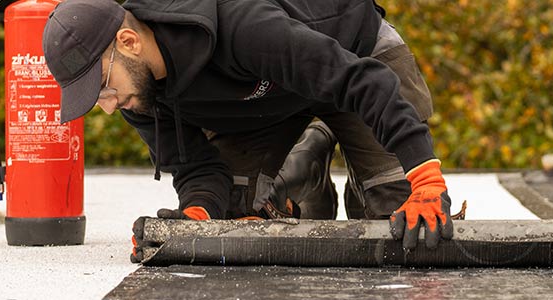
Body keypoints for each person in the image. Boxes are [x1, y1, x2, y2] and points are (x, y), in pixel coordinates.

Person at [41, 0, 453, 254]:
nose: (109, 108)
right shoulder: (140, 93)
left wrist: (427, 180)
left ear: (129, 42)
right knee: (235, 221)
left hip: (352, 56)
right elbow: (198, 170)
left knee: (403, 225)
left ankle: (367, 182)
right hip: (264, 101)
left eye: (103, 88)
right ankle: (304, 173)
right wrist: (195, 217)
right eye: (96, 102)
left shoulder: (243, 25)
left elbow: (361, 82)